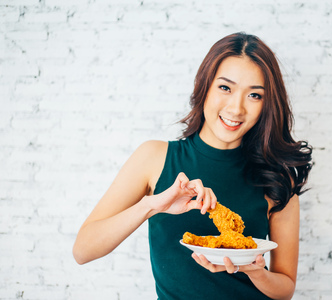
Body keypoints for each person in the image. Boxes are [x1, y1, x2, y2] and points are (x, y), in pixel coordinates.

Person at [73, 32, 312, 300]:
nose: (236, 109)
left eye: (254, 95)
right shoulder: (155, 157)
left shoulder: (278, 178)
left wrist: (255, 272)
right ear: (205, 86)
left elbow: (285, 288)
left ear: (267, 104)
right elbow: (83, 251)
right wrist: (151, 206)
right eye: (225, 88)